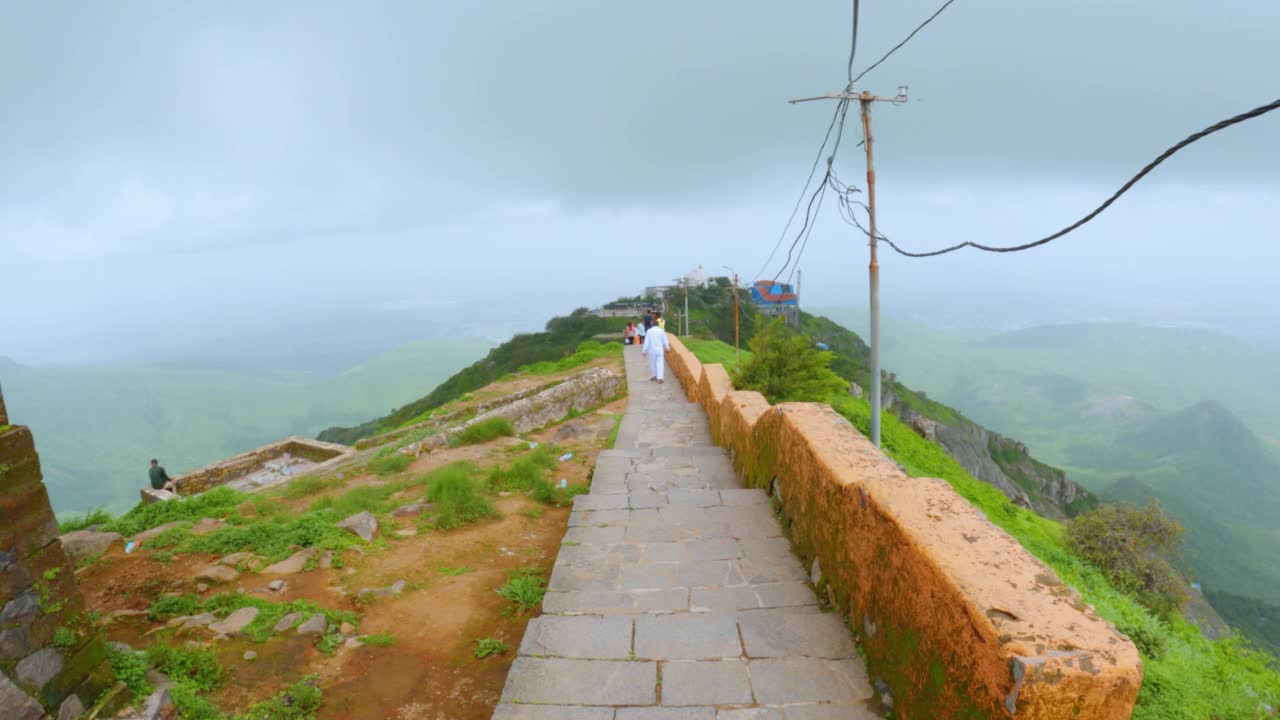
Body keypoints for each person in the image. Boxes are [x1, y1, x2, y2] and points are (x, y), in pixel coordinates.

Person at [642, 317, 671, 383]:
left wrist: (644, 351)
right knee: (660, 363)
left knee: (653, 363)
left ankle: (654, 376)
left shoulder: (649, 331)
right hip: (659, 350)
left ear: (652, 324)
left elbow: (646, 342)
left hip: (652, 350)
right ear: (658, 325)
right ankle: (660, 378)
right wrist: (667, 348)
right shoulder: (661, 331)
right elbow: (665, 341)